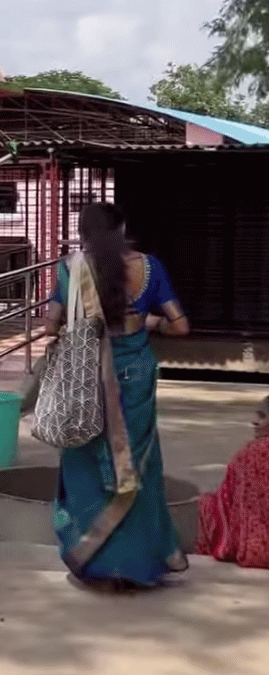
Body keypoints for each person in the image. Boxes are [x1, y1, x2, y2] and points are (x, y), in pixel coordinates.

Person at [45, 202, 190, 590]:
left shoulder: (71, 269)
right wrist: (151, 322)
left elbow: (50, 326)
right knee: (139, 466)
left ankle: (93, 560)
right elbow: (180, 326)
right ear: (123, 228)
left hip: (90, 379)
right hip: (136, 375)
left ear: (83, 233)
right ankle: (139, 564)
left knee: (86, 464)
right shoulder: (150, 268)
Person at [195, 396, 269, 569]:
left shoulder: (250, 453)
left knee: (208, 503)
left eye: (262, 416)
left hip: (257, 552)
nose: (254, 422)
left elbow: (227, 499)